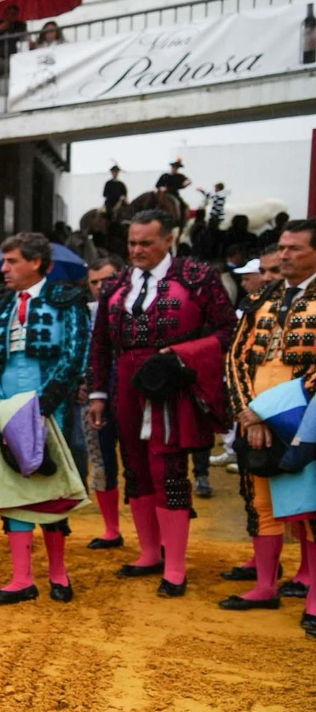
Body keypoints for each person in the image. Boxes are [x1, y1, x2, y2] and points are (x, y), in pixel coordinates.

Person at [88, 209, 236, 596]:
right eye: (132, 243)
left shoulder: (197, 276)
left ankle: (175, 565)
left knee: (168, 467)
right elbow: (101, 342)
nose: (136, 250)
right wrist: (99, 394)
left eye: (145, 243)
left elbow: (227, 330)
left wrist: (184, 354)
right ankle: (150, 552)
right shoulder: (116, 283)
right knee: (134, 464)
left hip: (172, 377)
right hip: (125, 379)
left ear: (169, 239)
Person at [0, 234, 90, 603]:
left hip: (49, 406)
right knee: (12, 486)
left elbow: (74, 356)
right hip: (6, 407)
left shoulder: (66, 301)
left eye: (11, 261)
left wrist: (44, 406)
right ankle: (21, 579)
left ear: (35, 263)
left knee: (51, 488)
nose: (3, 269)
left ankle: (58, 573)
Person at [221, 219, 316, 616]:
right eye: (282, 247)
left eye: (294, 248)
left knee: (311, 507)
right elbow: (237, 356)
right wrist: (250, 413)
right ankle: (264, 585)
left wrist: (281, 408)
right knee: (261, 502)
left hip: (306, 417)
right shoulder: (266, 297)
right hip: (257, 417)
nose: (284, 254)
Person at [84, 253, 127, 548]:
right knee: (101, 462)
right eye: (94, 282)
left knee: (144, 465)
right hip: (94, 397)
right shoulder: (83, 313)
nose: (100, 286)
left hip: (133, 394)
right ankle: (111, 529)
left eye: (107, 280)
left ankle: (158, 535)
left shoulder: (138, 307)